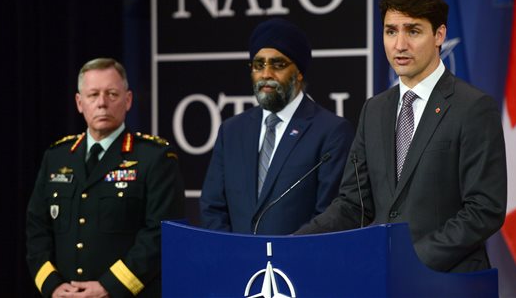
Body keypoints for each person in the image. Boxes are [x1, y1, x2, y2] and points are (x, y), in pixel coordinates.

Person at [296, 0, 507, 273]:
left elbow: (484, 209)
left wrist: (412, 261)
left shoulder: (472, 108)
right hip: (387, 281)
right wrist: (294, 245)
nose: (399, 45)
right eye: (391, 31)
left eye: (413, 31)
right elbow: (353, 205)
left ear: (439, 35)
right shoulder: (375, 110)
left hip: (449, 283)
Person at [26, 58, 185, 297]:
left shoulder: (154, 157)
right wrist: (52, 286)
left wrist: (109, 287)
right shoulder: (57, 157)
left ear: (128, 100)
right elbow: (36, 228)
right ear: (80, 103)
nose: (102, 103)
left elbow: (161, 234)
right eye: (93, 95)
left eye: (112, 94)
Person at [200, 18, 354, 235]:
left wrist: (284, 255)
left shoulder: (331, 131)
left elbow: (330, 214)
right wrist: (231, 255)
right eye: (258, 65)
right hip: (237, 264)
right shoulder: (232, 131)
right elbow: (212, 209)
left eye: (278, 64)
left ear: (299, 71)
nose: (266, 75)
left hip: (297, 263)